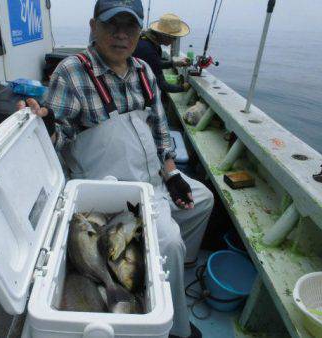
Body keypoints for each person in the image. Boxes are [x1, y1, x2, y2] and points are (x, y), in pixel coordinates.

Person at [19, 1, 213, 337]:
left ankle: (173, 272)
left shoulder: (143, 71)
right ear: (93, 27)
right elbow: (59, 132)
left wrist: (172, 173)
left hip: (154, 176)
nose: (121, 34)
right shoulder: (71, 72)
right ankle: (177, 326)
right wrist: (45, 122)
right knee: (169, 244)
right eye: (112, 25)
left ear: (140, 32)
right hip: (111, 189)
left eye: (130, 26)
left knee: (204, 199)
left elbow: (160, 128)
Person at [133, 13, 191, 93]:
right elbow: (162, 85)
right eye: (174, 37)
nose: (175, 40)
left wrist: (174, 63)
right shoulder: (148, 50)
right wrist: (183, 88)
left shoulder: (148, 40)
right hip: (139, 90)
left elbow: (155, 64)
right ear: (164, 35)